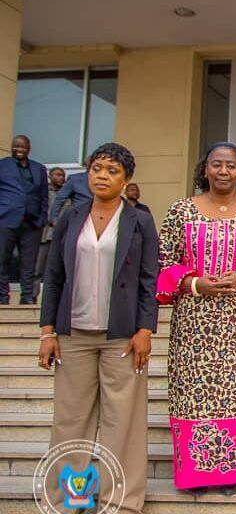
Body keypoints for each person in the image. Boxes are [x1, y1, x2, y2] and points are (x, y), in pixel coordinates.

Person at [37, 143, 158, 514]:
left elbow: (148, 279)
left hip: (121, 335)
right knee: (70, 420)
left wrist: (145, 330)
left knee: (123, 422)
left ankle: (120, 500)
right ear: (87, 173)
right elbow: (54, 277)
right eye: (97, 168)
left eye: (112, 170)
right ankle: (70, 499)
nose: (102, 176)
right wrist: (47, 332)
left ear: (126, 179)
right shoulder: (71, 218)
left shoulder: (140, 221)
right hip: (73, 334)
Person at [156, 142, 236, 496]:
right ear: (205, 169)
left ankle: (233, 471)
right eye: (217, 164)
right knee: (194, 394)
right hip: (194, 319)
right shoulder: (181, 211)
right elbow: (165, 262)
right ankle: (197, 474)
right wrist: (195, 283)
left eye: (231, 166)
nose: (224, 171)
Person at [0, 135, 48, 305]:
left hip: (32, 223)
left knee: (29, 264)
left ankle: (27, 298)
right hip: (6, 220)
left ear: (29, 148)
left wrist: (43, 218)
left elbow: (44, 196)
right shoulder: (2, 165)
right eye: (16, 146)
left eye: (22, 147)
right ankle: (2, 298)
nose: (18, 149)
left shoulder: (39, 168)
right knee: (2, 261)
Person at [35, 166, 65, 296]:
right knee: (37, 269)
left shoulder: (67, 194)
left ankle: (52, 298)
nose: (61, 178)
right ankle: (31, 296)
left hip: (61, 237)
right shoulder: (43, 192)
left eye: (63, 175)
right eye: (58, 175)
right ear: (50, 176)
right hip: (44, 235)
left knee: (56, 270)